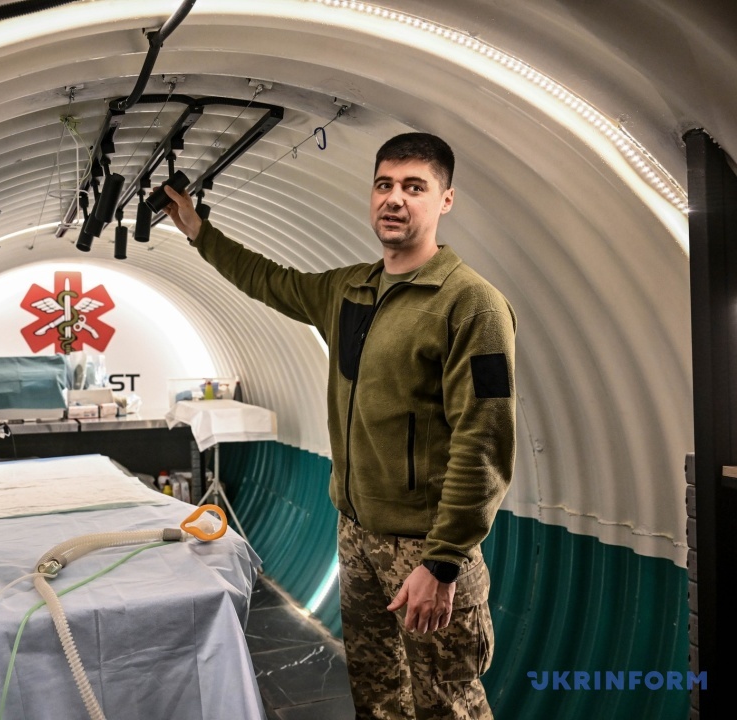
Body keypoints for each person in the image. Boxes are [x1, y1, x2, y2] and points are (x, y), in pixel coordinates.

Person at [163, 132, 515, 719]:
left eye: (414, 187)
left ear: (445, 200)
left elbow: (483, 442)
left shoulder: (470, 305)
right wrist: (200, 232)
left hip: (424, 546)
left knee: (446, 704)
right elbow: (268, 279)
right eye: (384, 185)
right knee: (376, 695)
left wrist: (443, 561)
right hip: (355, 535)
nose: (394, 199)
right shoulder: (348, 289)